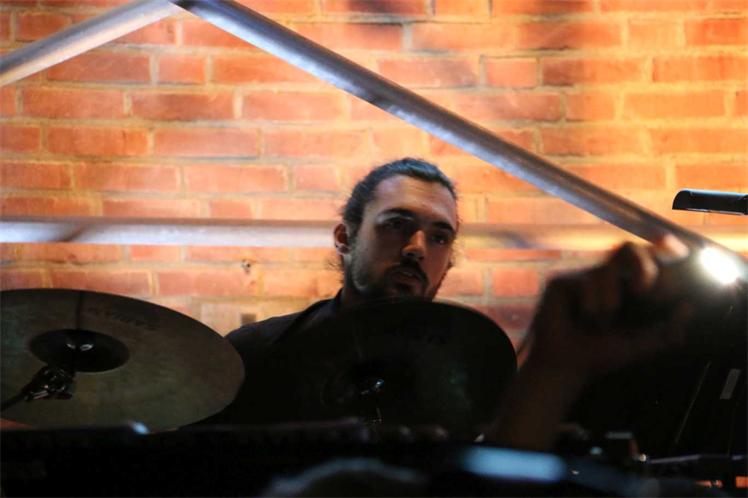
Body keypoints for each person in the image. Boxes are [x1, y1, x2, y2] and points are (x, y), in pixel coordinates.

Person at [211, 157, 692, 450]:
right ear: (345, 237)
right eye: (396, 224)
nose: (417, 248)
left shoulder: (475, 368)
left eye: (439, 236)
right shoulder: (252, 353)